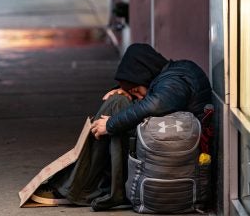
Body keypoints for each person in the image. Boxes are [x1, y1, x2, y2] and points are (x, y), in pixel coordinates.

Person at [31, 43, 212, 211]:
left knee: (116, 109)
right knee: (117, 101)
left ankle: (80, 186)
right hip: (168, 148)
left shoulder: (174, 82)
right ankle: (80, 185)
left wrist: (110, 124)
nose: (137, 96)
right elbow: (150, 97)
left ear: (146, 74)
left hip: (177, 154)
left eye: (135, 90)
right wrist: (123, 89)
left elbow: (154, 105)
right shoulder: (173, 73)